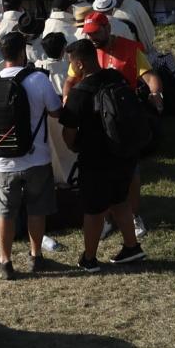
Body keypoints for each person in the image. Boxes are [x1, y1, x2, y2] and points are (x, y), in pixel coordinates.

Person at [58, 40, 146, 271]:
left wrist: (75, 147)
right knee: (119, 201)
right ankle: (131, 246)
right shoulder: (116, 78)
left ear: (79, 64)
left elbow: (68, 133)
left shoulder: (79, 93)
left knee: (93, 210)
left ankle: (89, 258)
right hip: (123, 153)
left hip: (95, 159)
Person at [0, 31, 61, 281]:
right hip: (36, 157)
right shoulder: (38, 80)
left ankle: (5, 261)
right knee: (36, 208)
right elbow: (55, 111)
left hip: (3, 160)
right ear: (23, 52)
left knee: (5, 210)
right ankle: (36, 255)